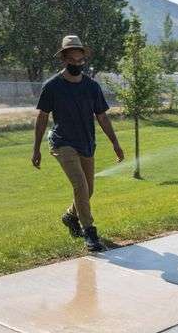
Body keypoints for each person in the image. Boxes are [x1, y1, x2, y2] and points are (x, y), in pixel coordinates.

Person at [32, 35, 124, 252]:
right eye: (72, 60)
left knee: (88, 190)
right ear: (63, 59)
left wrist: (115, 143)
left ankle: (70, 216)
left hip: (86, 143)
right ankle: (90, 233)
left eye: (80, 60)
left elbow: (102, 117)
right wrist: (36, 149)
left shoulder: (92, 86)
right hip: (62, 143)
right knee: (80, 185)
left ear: (84, 59)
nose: (76, 64)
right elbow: (42, 117)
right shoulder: (52, 86)